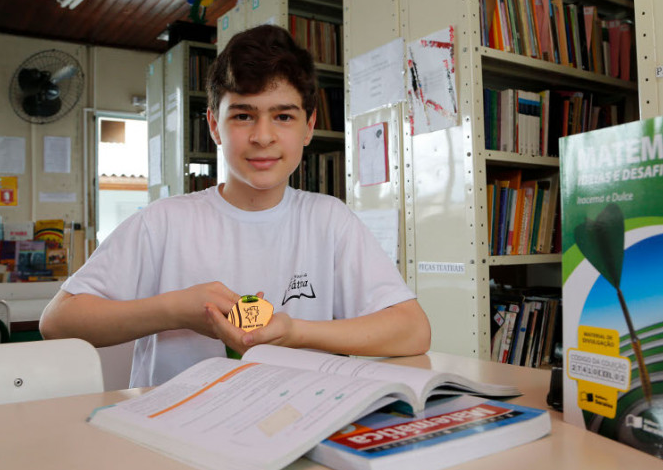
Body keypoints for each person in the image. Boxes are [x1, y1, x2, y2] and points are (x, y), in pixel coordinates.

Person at [40, 24, 430, 387]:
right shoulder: (165, 221)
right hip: (177, 431)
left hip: (298, 427)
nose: (263, 136)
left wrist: (296, 332)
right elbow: (57, 321)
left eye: (283, 116)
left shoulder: (329, 219)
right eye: (243, 115)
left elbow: (413, 330)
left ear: (309, 126)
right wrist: (177, 310)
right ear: (214, 125)